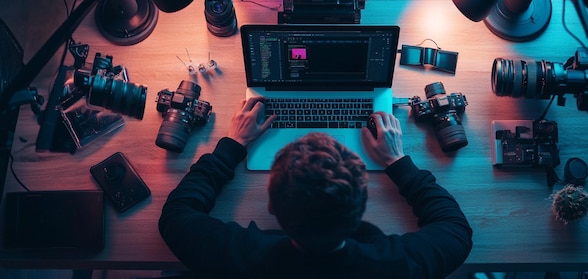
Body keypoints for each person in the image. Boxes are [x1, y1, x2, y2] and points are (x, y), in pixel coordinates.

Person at [159, 98, 473, 279]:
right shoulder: (391, 267)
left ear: (271, 205)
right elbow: (456, 232)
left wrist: (233, 144)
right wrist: (397, 161)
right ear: (361, 208)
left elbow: (176, 216)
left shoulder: (240, 257)